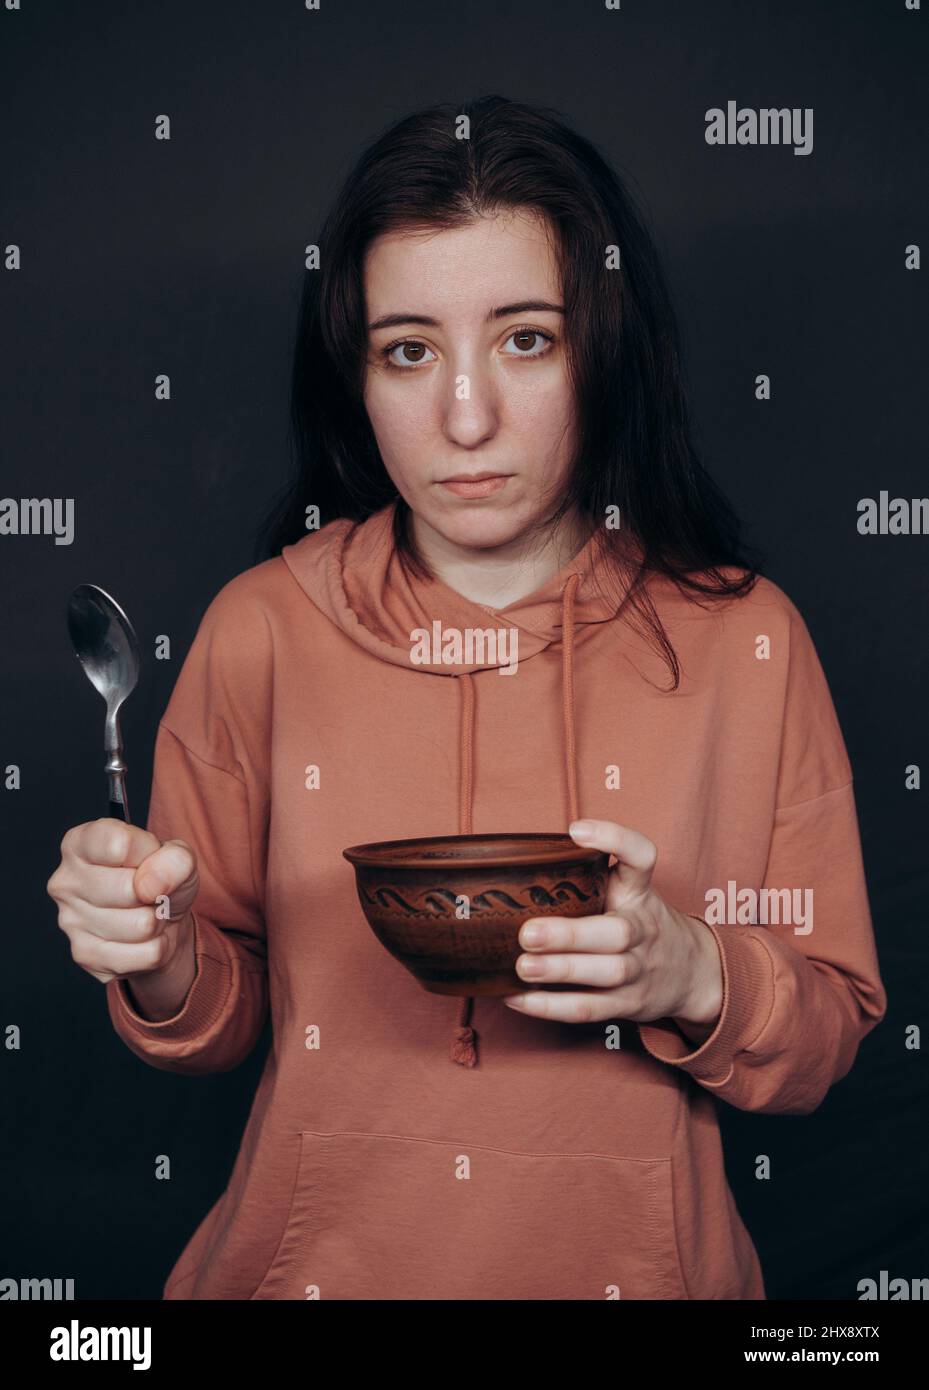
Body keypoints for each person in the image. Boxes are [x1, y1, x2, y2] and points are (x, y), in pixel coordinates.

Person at [46, 95, 887, 1300]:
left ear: (603, 345)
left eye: (524, 339)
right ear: (357, 375)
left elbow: (822, 1042)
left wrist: (690, 971)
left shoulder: (745, 639)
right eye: (409, 349)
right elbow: (214, 1018)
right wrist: (157, 952)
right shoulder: (260, 629)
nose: (465, 416)